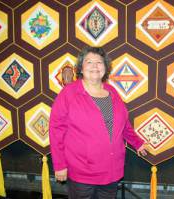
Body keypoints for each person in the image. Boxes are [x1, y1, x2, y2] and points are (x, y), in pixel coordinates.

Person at [49, 46, 148, 199]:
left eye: (99, 62)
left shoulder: (112, 91)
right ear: (81, 68)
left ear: (105, 68)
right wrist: (60, 165)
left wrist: (138, 142)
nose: (95, 66)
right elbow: (56, 130)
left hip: (111, 170)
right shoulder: (68, 93)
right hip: (82, 172)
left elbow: (123, 124)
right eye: (89, 62)